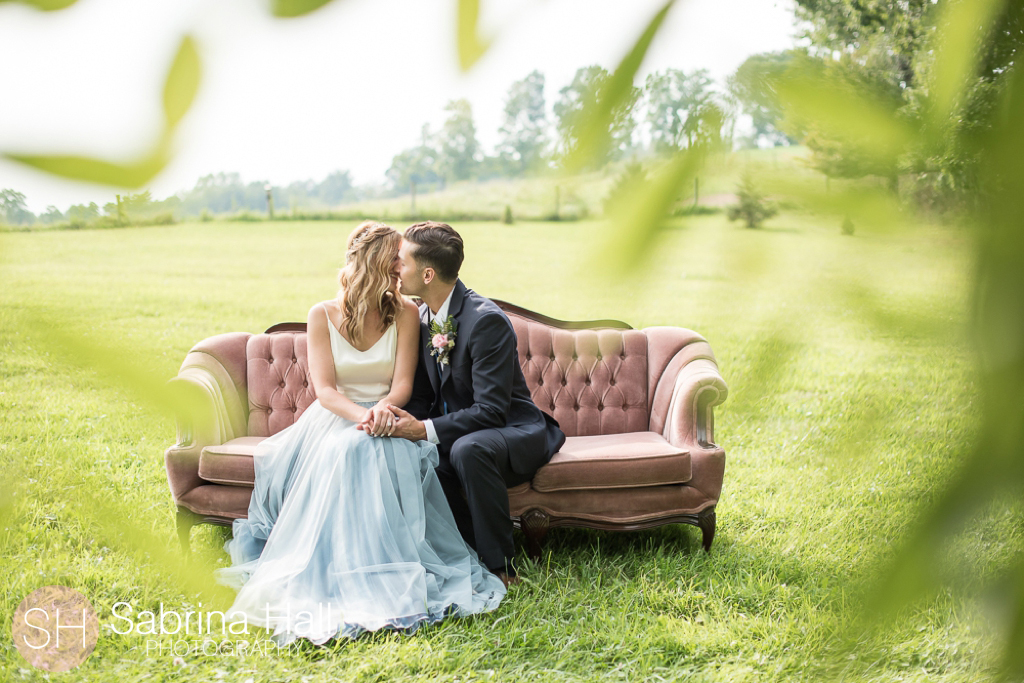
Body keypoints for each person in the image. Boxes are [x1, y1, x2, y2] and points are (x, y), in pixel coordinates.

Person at [214, 221, 505, 647]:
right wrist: (361, 418)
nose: (399, 273)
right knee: (349, 449)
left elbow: (404, 384)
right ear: (374, 265)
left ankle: (389, 565)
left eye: (401, 266)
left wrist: (384, 413)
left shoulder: (407, 312)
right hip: (335, 417)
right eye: (394, 264)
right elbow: (326, 390)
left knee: (382, 450)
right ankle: (339, 569)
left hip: (388, 413)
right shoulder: (322, 315)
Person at [385, 221, 566, 585]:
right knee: (427, 455)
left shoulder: (485, 322)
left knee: (466, 449)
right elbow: (422, 396)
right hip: (468, 434)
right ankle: (463, 555)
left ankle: (500, 567)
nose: (394, 268)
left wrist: (425, 429)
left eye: (400, 261)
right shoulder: (421, 319)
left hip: (513, 430)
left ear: (428, 273)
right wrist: (399, 423)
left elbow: (492, 410)